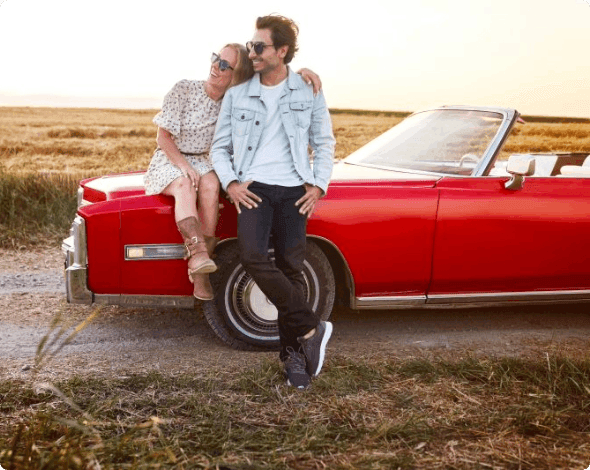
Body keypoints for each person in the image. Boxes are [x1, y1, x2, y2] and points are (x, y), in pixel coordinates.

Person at [210, 15, 336, 389]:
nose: (253, 52)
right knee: (251, 256)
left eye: (259, 47)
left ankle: (293, 356)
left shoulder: (308, 89)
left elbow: (324, 142)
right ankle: (313, 328)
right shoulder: (238, 93)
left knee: (291, 268)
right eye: (251, 46)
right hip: (254, 189)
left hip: (296, 189)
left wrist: (318, 185)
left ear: (282, 51)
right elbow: (220, 147)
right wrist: (231, 183)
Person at [144, 44, 321, 301]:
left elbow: (272, 83)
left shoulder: (235, 100)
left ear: (236, 75)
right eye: (216, 59)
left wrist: (301, 74)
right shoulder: (184, 88)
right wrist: (184, 166)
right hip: (172, 158)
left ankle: (202, 270)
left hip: (206, 162)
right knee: (184, 184)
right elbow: (163, 137)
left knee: (211, 186)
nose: (216, 66)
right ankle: (198, 259)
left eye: (225, 65)